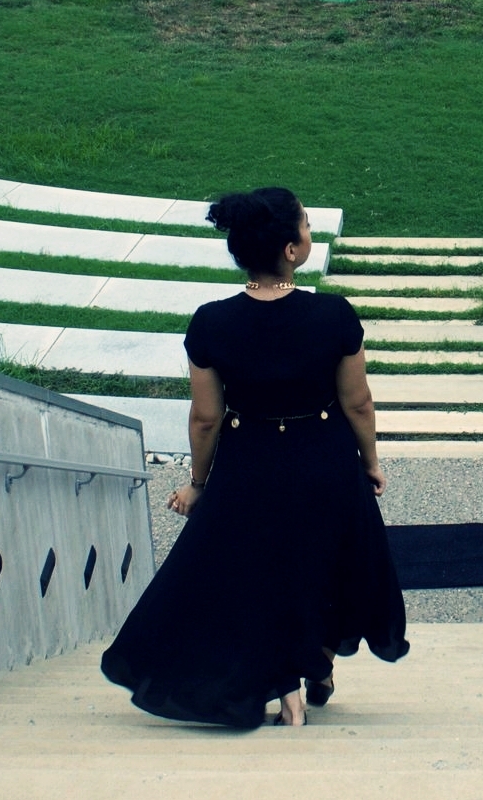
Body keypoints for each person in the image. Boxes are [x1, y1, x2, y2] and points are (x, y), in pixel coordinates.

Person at [100, 187, 408, 729]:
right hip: (324, 457)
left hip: (250, 462)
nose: (310, 235)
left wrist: (198, 482)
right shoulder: (333, 315)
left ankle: (285, 683)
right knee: (324, 563)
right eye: (307, 227)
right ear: (290, 250)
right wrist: (370, 460)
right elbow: (356, 401)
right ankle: (316, 667)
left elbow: (205, 417)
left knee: (258, 569)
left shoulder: (211, 322)